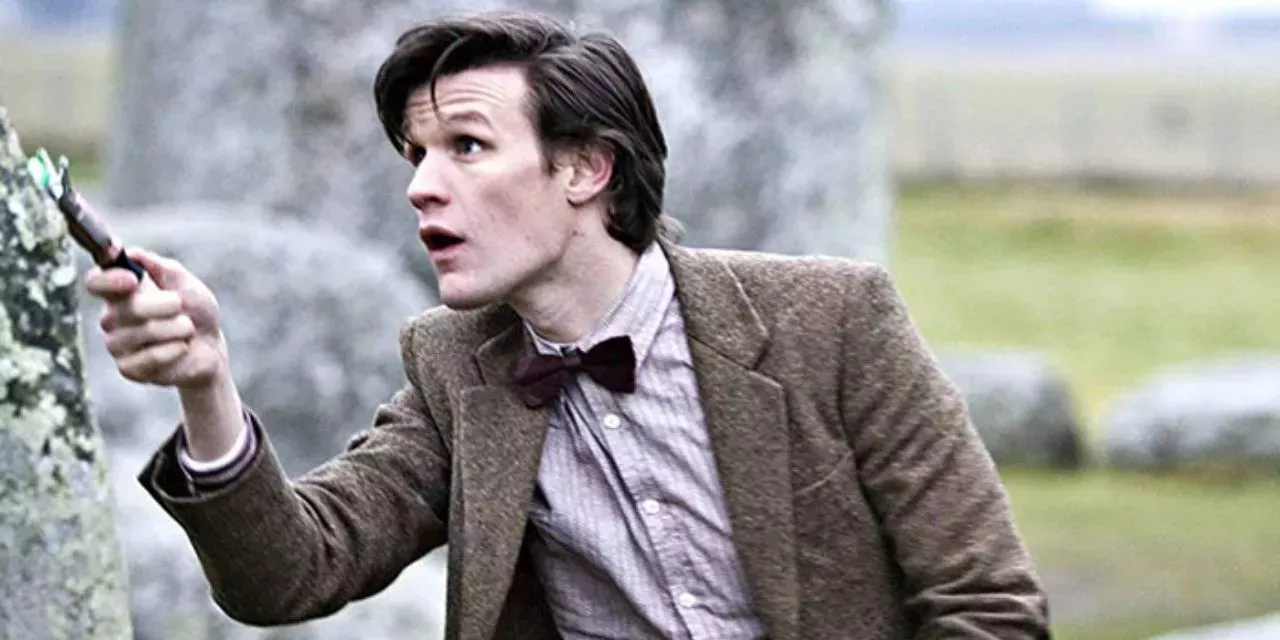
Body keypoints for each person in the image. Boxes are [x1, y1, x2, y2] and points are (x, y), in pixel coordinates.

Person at [85, 10, 1050, 640]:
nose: (422, 186)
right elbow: (290, 575)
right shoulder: (454, 369)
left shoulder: (833, 320)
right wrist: (206, 383)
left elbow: (988, 605)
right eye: (417, 155)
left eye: (467, 146)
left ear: (586, 168)